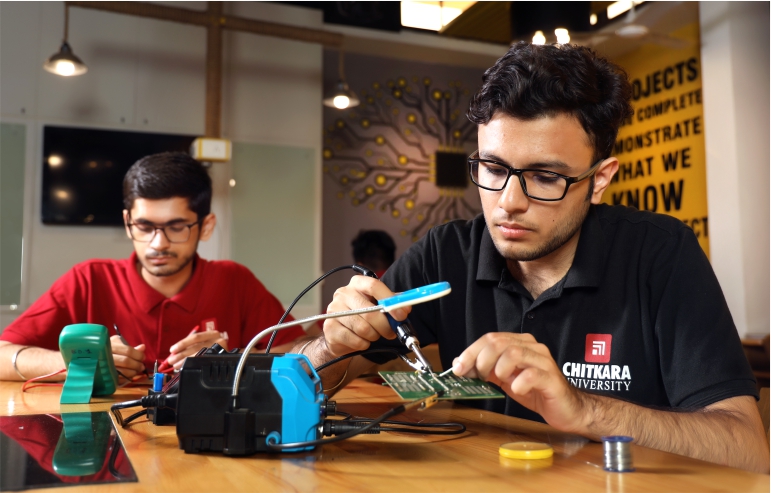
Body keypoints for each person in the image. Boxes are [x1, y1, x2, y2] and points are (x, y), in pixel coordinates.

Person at [291, 43, 769, 473]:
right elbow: (302, 383)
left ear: (599, 180)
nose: (508, 202)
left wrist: (585, 410)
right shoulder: (446, 253)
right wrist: (332, 346)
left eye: (544, 177)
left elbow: (748, 447)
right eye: (493, 168)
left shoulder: (660, 254)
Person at [0, 152, 306, 381]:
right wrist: (80, 365)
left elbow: (303, 353)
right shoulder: (89, 279)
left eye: (176, 227)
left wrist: (233, 359)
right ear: (127, 222)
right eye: (144, 227)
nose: (158, 243)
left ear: (206, 226)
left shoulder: (234, 280)